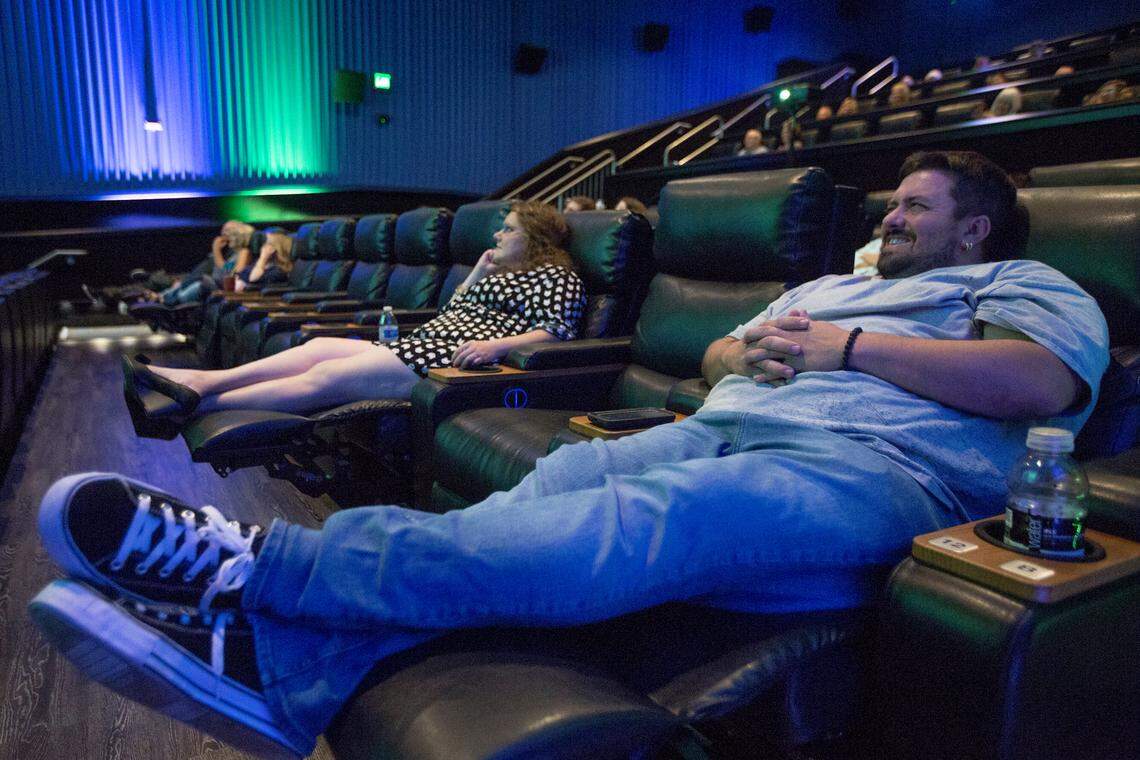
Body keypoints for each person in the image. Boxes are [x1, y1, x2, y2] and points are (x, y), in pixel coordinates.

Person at [30, 151, 1110, 758]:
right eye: (898, 204)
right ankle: (286, 661)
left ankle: (256, 568)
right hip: (716, 423)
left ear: (976, 229)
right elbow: (726, 349)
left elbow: (1039, 383)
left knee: (618, 530)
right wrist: (765, 340)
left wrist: (848, 346)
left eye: (919, 206)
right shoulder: (833, 283)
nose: (896, 216)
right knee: (549, 496)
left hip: (870, 470)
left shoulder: (1015, 288)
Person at [120, 202, 585, 425]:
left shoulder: (557, 277)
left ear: (536, 239)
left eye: (508, 231)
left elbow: (555, 332)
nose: (498, 236)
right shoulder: (494, 271)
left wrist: (496, 346)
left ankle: (198, 402)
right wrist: (479, 271)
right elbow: (451, 311)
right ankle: (203, 381)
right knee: (319, 346)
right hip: (422, 341)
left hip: (448, 362)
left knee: (325, 375)